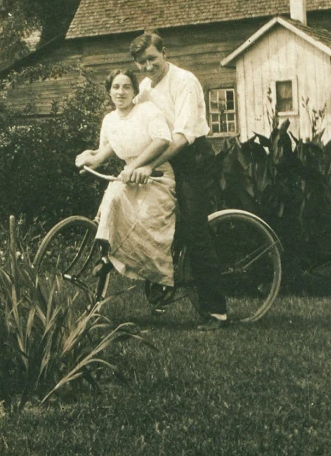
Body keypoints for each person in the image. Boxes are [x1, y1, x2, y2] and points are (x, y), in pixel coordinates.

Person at [127, 30, 230, 331]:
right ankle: (163, 280)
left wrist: (148, 164)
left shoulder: (184, 81)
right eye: (141, 62)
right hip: (166, 159)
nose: (148, 66)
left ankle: (216, 312)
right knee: (154, 218)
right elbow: (132, 118)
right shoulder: (146, 86)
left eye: (152, 59)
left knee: (195, 230)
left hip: (193, 159)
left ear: (165, 53)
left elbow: (183, 136)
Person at [74, 69, 179, 291]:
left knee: (146, 222)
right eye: (116, 87)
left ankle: (159, 278)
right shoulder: (110, 120)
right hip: (130, 177)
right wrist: (92, 160)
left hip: (156, 175)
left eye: (126, 87)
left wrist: (135, 166)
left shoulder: (147, 111)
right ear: (109, 91)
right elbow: (109, 148)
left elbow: (162, 140)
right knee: (111, 200)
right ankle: (108, 256)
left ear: (134, 91)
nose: (120, 92)